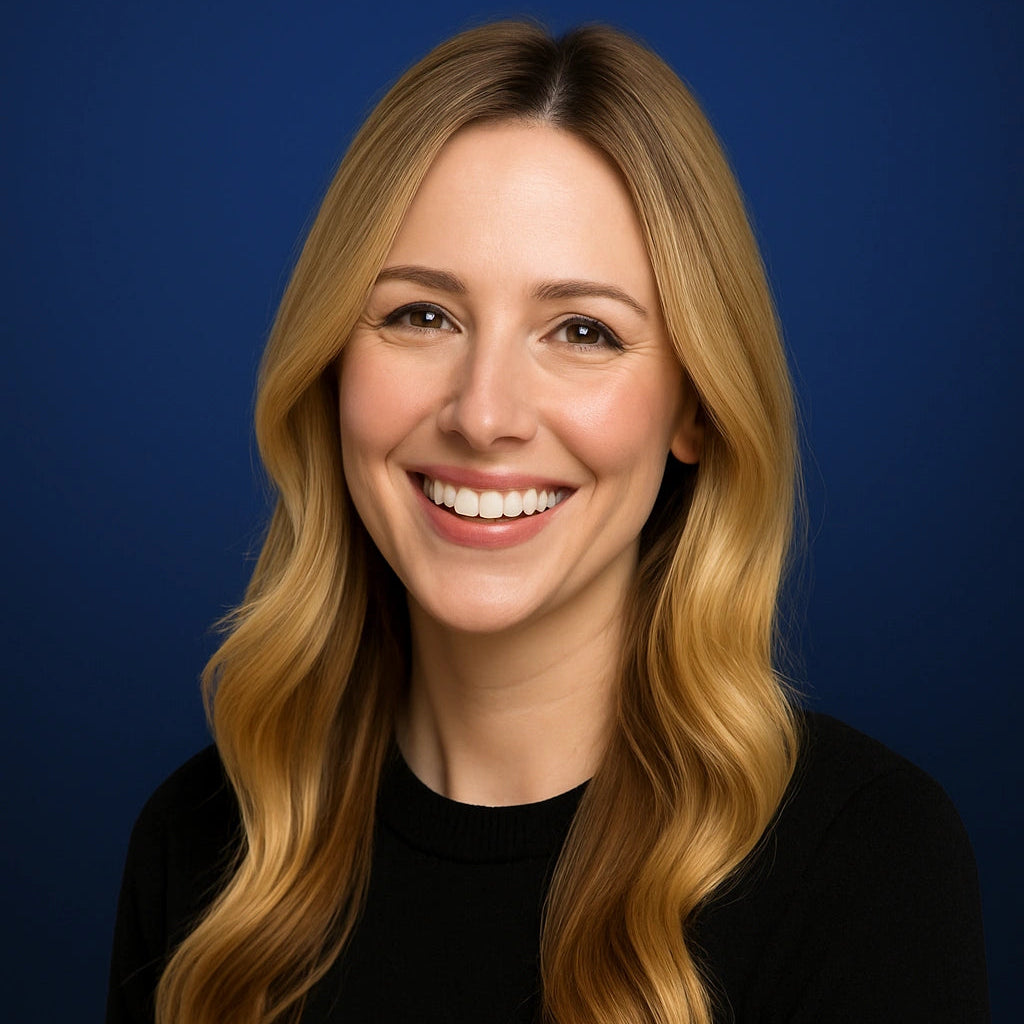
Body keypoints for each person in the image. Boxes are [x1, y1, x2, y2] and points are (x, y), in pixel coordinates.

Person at [106, 21, 988, 1024]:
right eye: (420, 315)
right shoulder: (205, 844)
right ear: (332, 366)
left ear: (695, 406)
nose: (484, 414)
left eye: (583, 331)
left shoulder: (862, 860)